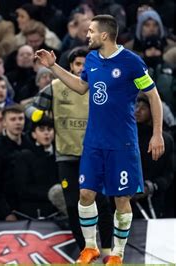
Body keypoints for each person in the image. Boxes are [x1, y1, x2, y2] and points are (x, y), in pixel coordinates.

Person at [35, 14, 165, 265]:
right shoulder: (92, 59)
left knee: (121, 199)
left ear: (104, 35)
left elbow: (153, 96)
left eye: (91, 31)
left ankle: (117, 253)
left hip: (122, 142)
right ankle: (90, 247)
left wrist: (157, 133)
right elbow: (81, 86)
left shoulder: (132, 63)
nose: (88, 35)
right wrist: (53, 66)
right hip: (94, 140)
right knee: (85, 193)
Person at [26, 47, 113, 255]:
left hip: (95, 155)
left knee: (102, 202)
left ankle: (109, 250)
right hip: (66, 155)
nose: (82, 68)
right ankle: (86, 251)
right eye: (77, 64)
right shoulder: (56, 87)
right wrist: (38, 115)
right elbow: (29, 108)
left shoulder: (101, 87)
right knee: (73, 206)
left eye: (85, 63)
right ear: (72, 66)